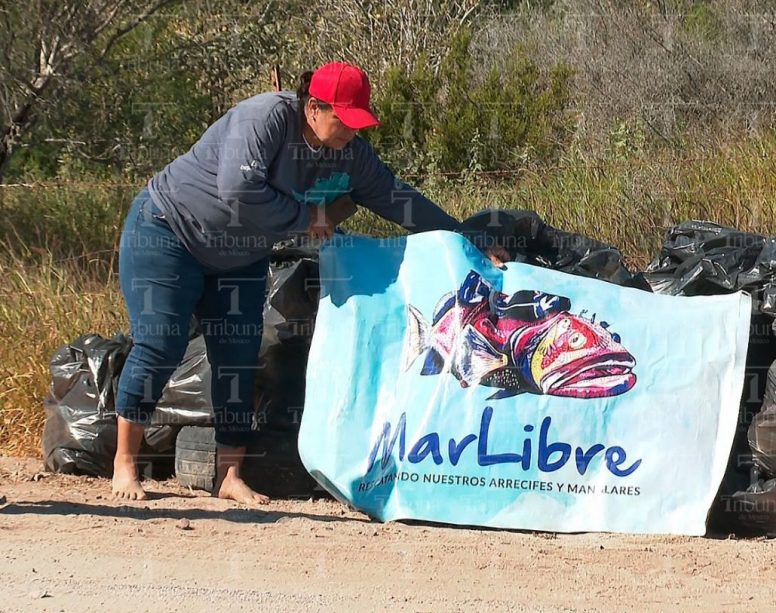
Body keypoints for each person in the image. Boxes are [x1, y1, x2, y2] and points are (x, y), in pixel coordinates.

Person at [112, 61, 509, 503]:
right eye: (344, 120)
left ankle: (229, 478)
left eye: (360, 123)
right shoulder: (263, 118)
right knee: (161, 341)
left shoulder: (350, 152)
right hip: (169, 231)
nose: (351, 133)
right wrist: (308, 217)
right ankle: (125, 465)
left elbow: (396, 198)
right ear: (314, 108)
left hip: (241, 254)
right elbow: (237, 191)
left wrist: (466, 239)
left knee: (239, 355)